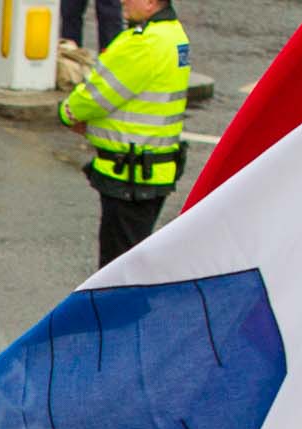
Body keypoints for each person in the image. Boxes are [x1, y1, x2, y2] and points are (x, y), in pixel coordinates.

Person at [56, 0, 190, 268]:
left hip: (129, 177)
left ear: (151, 2)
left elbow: (94, 96)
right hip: (153, 171)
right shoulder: (174, 35)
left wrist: (66, 112)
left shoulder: (142, 45)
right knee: (132, 265)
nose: (123, 1)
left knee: (118, 272)